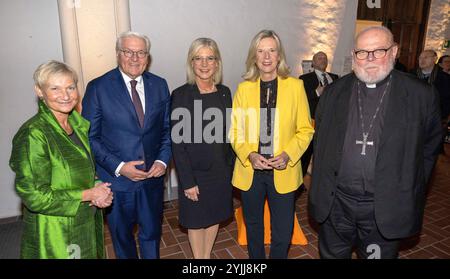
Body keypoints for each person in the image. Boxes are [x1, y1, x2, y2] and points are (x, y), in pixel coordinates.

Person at [308, 26, 442, 259]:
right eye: (362, 52)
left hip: (383, 207)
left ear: (394, 51)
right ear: (354, 55)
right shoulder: (333, 93)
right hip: (336, 203)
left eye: (378, 51)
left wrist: (410, 183)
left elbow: (429, 148)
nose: (369, 59)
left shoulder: (420, 95)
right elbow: (320, 141)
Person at [9, 60, 113, 259]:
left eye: (70, 87)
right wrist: (89, 194)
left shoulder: (77, 124)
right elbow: (34, 196)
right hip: (56, 231)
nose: (65, 96)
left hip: (84, 222)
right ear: (39, 91)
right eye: (55, 88)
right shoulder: (34, 133)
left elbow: (83, 169)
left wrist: (99, 188)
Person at [82, 31, 171, 259]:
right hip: (118, 184)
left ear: (147, 57)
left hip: (152, 181)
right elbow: (90, 137)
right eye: (128, 52)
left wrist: (162, 160)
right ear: (118, 54)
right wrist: (120, 167)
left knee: (151, 234)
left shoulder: (160, 85)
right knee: (122, 241)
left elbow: (168, 129)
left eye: (140, 52)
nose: (134, 58)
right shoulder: (98, 88)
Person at [230, 30, 314, 259]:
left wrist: (288, 154)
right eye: (261, 51)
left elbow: (306, 130)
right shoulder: (244, 89)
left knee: (283, 228)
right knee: (253, 226)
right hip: (251, 171)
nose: (266, 57)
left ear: (279, 56)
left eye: (271, 50)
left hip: (283, 169)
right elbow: (235, 132)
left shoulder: (295, 87)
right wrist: (250, 155)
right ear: (254, 56)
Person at [171, 38, 234, 259]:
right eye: (199, 58)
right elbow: (177, 144)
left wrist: (231, 169)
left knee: (214, 216)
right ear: (191, 62)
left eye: (210, 58)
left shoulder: (225, 93)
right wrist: (187, 181)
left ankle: (206, 256)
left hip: (220, 171)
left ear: (217, 63)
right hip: (195, 173)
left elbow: (229, 134)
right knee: (196, 221)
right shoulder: (181, 95)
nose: (204, 64)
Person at [299, 51, 338, 188]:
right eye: (319, 58)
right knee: (306, 154)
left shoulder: (335, 77)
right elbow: (301, 100)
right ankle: (299, 182)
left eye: (325, 58)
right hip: (312, 122)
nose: (322, 60)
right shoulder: (304, 78)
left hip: (331, 123)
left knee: (326, 155)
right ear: (313, 62)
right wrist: (317, 92)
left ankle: (323, 183)